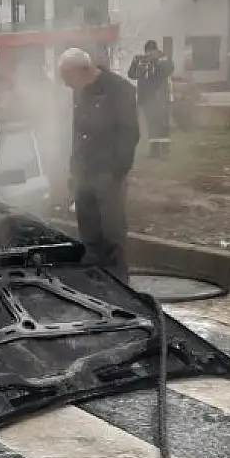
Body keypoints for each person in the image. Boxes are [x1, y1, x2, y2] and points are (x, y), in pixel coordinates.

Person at [58, 48, 139, 283]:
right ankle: (95, 280)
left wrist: (118, 170)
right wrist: (74, 171)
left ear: (82, 70)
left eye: (67, 78)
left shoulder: (119, 89)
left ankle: (119, 283)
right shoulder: (79, 92)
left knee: (112, 233)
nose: (66, 85)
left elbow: (128, 131)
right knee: (89, 233)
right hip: (84, 172)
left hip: (108, 173)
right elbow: (78, 133)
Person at [129, 40, 174, 159]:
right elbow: (132, 74)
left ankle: (165, 151)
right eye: (147, 53)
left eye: (151, 52)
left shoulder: (163, 60)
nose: (149, 54)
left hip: (161, 97)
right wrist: (137, 62)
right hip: (147, 98)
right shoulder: (142, 61)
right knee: (151, 125)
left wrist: (156, 61)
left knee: (163, 124)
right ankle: (154, 151)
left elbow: (167, 70)